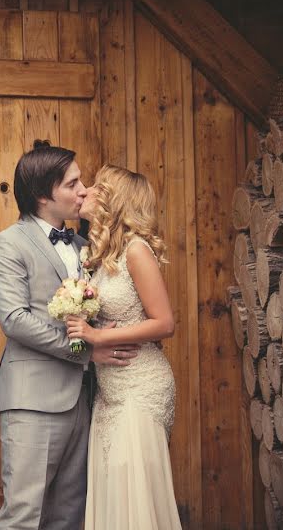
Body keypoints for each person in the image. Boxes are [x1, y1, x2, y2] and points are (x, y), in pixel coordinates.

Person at [0, 145, 139, 529]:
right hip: (33, 400)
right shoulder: (8, 245)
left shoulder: (84, 247)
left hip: (86, 401)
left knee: (70, 516)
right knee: (24, 514)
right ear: (42, 194)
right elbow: (16, 319)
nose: (84, 190)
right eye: (73, 184)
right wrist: (88, 352)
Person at [66, 164, 182, 530]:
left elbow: (164, 323)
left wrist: (97, 336)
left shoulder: (136, 251)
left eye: (96, 187)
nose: (84, 191)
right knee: (113, 498)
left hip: (140, 387)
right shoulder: (98, 257)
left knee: (134, 500)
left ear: (114, 201)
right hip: (109, 391)